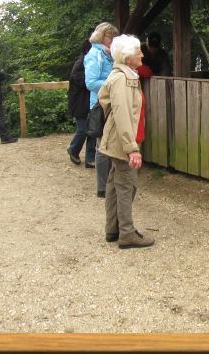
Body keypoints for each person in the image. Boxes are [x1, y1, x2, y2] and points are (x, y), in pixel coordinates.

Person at [98, 34, 154, 249]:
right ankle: (127, 233)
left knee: (115, 184)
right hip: (123, 141)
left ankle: (113, 229)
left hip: (119, 139)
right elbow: (122, 114)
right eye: (138, 51)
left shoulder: (125, 75)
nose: (142, 54)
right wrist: (131, 148)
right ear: (128, 56)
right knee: (127, 185)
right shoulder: (122, 78)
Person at [84, 22, 119, 196]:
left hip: (111, 103)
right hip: (100, 106)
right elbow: (91, 83)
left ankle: (110, 184)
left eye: (113, 36)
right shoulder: (95, 54)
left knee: (110, 144)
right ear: (101, 36)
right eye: (109, 36)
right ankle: (102, 187)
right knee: (102, 146)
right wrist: (113, 84)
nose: (112, 39)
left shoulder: (108, 54)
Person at [66, 39, 95, 167]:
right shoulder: (80, 64)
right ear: (88, 50)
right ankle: (73, 149)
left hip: (90, 103)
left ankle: (90, 159)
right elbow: (83, 82)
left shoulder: (91, 63)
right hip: (79, 104)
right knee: (83, 130)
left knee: (93, 130)